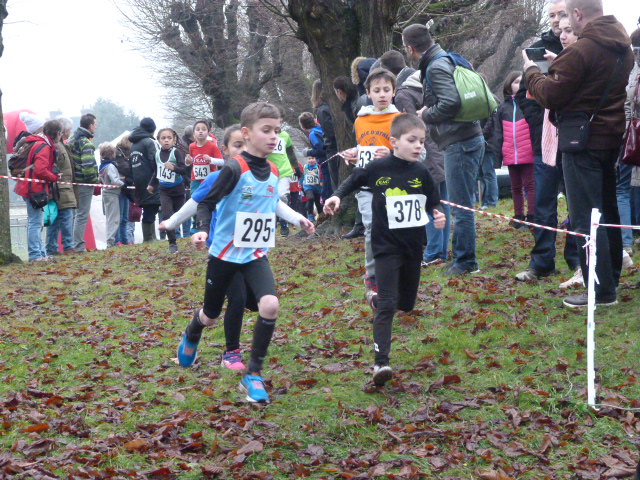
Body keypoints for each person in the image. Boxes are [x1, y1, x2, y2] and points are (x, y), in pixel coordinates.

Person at [176, 102, 315, 403]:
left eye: (277, 131)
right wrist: (201, 229)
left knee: (270, 305)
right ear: (246, 133)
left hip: (254, 255)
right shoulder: (233, 168)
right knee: (211, 315)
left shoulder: (275, 169)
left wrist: (298, 218)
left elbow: (272, 204)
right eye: (266, 130)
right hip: (224, 256)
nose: (273, 137)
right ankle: (193, 330)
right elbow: (205, 202)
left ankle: (253, 375)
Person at [523, 0, 634, 308]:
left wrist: (532, 71)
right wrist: (561, 62)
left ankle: (598, 291)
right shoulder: (621, 45)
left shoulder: (583, 49)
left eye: (567, 15)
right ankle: (609, 278)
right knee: (607, 211)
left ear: (578, 14)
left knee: (586, 218)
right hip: (609, 136)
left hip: (580, 141)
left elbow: (549, 95)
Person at [324, 113, 446, 386]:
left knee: (406, 304)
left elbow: (432, 203)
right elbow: (352, 180)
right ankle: (381, 363)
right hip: (385, 245)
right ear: (394, 141)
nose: (418, 146)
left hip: (413, 247)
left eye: (422, 141)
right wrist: (336, 195)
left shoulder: (422, 172)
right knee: (390, 303)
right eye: (412, 140)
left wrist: (437, 216)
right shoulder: (378, 168)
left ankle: (377, 301)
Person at [403, 23, 486, 276]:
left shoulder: (436, 66)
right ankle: (462, 257)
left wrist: (426, 114)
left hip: (460, 142)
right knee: (463, 203)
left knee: (462, 206)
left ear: (410, 48)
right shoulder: (444, 59)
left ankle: (466, 261)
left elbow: (451, 102)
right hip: (467, 137)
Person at [514, 13, 582, 285]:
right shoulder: (538, 50)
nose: (557, 21)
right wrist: (539, 121)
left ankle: (577, 261)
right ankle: (541, 263)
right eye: (553, 16)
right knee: (542, 204)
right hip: (544, 140)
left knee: (577, 205)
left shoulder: (583, 49)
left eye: (562, 16)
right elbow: (523, 93)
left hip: (574, 139)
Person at [342, 68, 401, 305]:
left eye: (387, 89)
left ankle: (393, 273)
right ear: (368, 93)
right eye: (377, 90)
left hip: (395, 187)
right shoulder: (361, 120)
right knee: (371, 227)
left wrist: (391, 152)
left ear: (394, 91)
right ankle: (372, 276)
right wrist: (354, 155)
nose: (382, 94)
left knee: (394, 231)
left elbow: (416, 152)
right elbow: (361, 148)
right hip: (367, 187)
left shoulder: (401, 119)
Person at [392, 68, 451, 266]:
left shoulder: (403, 95)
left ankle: (433, 252)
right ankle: (441, 250)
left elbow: (410, 128)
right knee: (443, 205)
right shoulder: (429, 91)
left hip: (426, 158)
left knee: (429, 206)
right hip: (440, 151)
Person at [492, 71, 536, 229]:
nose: (519, 84)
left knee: (530, 185)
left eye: (521, 82)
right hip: (511, 153)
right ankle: (518, 216)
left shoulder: (529, 103)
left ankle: (532, 216)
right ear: (509, 85)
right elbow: (498, 134)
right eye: (516, 82)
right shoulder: (502, 108)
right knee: (515, 187)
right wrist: (497, 159)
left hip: (528, 152)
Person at [14, 119, 63, 262]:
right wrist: (53, 177)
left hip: (30, 187)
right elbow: (41, 170)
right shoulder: (44, 146)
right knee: (35, 222)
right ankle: (35, 255)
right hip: (34, 189)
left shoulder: (38, 143)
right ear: (58, 133)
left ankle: (41, 253)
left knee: (37, 222)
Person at [147, 128, 188, 253]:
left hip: (178, 190)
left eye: (169, 138)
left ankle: (186, 236)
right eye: (163, 138)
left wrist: (174, 168)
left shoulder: (177, 153)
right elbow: (157, 172)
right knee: (167, 216)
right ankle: (172, 244)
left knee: (180, 216)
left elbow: (184, 169)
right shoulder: (157, 154)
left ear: (174, 140)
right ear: (159, 140)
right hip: (164, 190)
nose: (166, 140)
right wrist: (151, 184)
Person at [45, 117, 77, 256]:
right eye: (69, 130)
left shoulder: (61, 145)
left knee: (57, 219)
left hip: (63, 186)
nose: (69, 132)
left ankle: (52, 247)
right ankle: (68, 246)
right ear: (62, 131)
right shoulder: (56, 146)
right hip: (61, 187)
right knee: (65, 217)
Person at [266, 109, 300, 237]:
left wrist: (297, 167)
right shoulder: (265, 135)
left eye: (280, 120)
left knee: (281, 196)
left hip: (284, 171)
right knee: (268, 197)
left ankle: (284, 222)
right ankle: (271, 221)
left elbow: (290, 152)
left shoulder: (285, 135)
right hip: (268, 172)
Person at [130, 117, 162, 242]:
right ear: (153, 129)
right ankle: (149, 238)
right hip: (151, 181)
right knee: (151, 209)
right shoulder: (149, 142)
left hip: (139, 182)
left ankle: (151, 236)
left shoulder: (134, 144)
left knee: (148, 210)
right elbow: (158, 161)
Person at [69, 113, 98, 253]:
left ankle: (73, 244)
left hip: (74, 182)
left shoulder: (72, 139)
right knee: (82, 214)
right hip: (84, 183)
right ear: (91, 125)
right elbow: (88, 166)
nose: (96, 127)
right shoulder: (86, 142)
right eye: (95, 125)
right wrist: (94, 180)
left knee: (75, 214)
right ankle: (79, 245)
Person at [311, 80, 338, 194]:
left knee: (335, 181)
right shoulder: (327, 108)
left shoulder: (322, 110)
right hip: (333, 147)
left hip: (332, 148)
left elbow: (329, 132)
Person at [98, 143, 124, 248]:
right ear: (112, 153)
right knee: (114, 219)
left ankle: (110, 240)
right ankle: (110, 241)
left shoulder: (102, 166)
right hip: (112, 194)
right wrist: (123, 184)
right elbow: (115, 180)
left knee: (109, 218)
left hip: (105, 193)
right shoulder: (111, 166)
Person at [114, 135, 134, 245]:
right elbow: (123, 167)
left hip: (127, 187)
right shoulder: (118, 152)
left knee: (125, 217)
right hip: (121, 187)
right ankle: (118, 240)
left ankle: (125, 240)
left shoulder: (127, 153)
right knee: (120, 216)